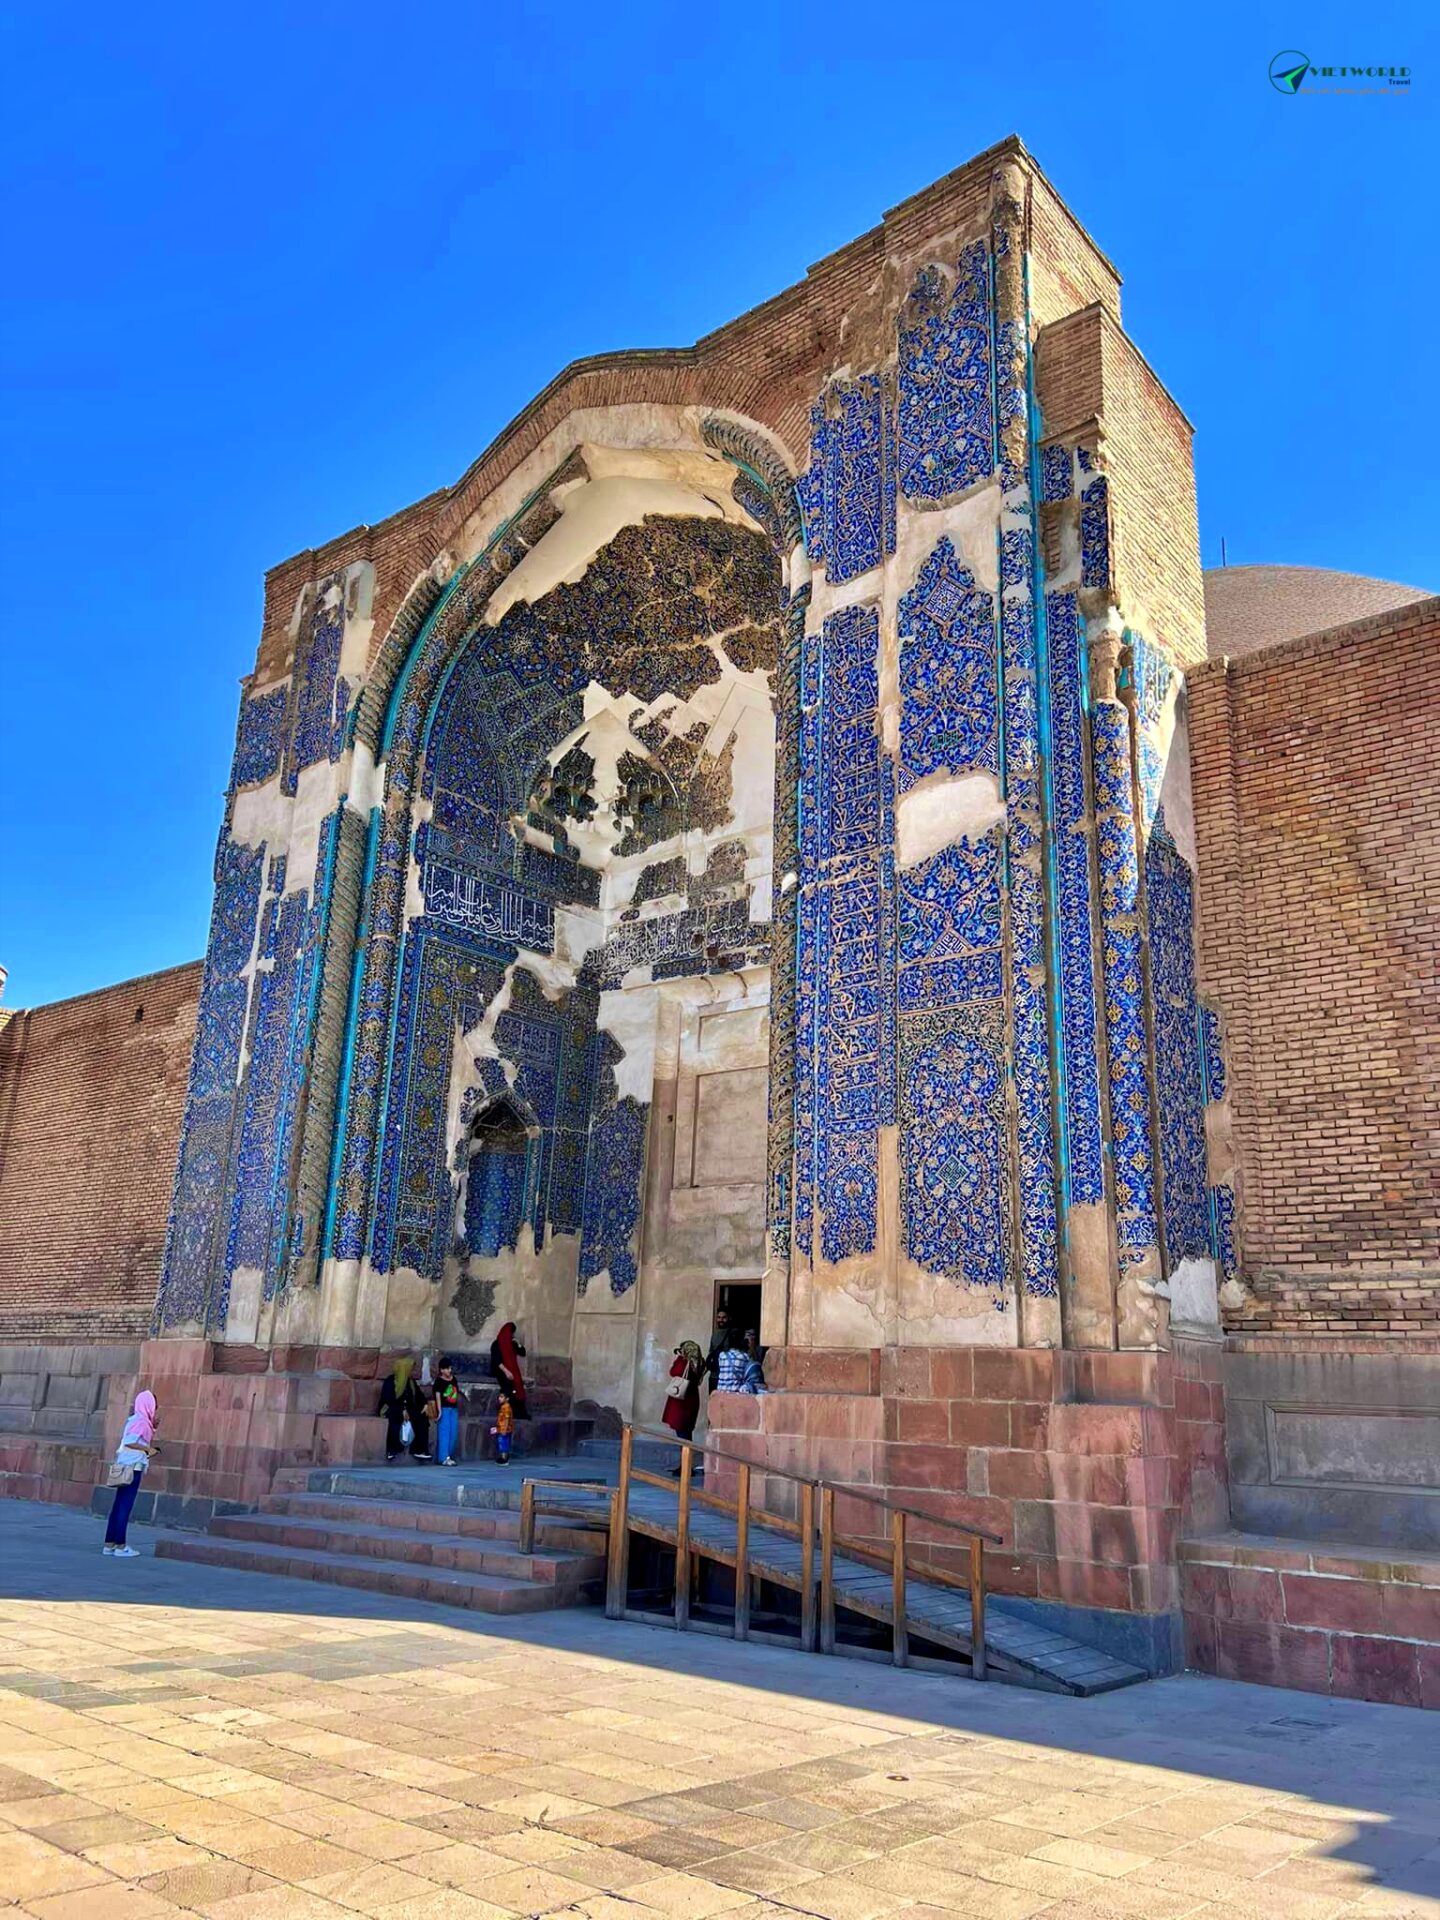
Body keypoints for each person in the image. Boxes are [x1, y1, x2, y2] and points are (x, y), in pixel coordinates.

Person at [104, 1390, 157, 1557]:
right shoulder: (141, 1422)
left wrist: (153, 1428)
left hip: (125, 1466)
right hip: (133, 1468)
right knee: (125, 1506)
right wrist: (149, 1449)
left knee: (118, 1505)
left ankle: (110, 1543)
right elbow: (131, 1441)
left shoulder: (135, 1419)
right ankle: (120, 1545)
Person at [377, 1358, 431, 1461]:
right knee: (395, 1420)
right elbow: (388, 1398)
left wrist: (424, 1404)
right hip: (392, 1408)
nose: (411, 1371)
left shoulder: (411, 1382)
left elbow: (419, 1396)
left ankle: (419, 1450)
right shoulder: (390, 1381)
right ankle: (392, 1449)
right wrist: (401, 1409)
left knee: (422, 1419)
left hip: (408, 1409)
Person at [489, 1322, 529, 1420]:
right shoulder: (496, 1344)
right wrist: (507, 1372)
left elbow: (523, 1353)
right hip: (501, 1370)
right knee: (508, 1387)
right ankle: (507, 1412)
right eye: (512, 1333)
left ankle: (518, 1413)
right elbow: (497, 1360)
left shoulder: (512, 1343)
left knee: (518, 1386)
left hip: (512, 1370)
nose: (512, 1335)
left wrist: (518, 1343)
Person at [432, 1358, 466, 1467]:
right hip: (445, 1409)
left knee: (453, 1433)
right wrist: (439, 1411)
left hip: (453, 1409)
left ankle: (449, 1455)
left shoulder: (453, 1379)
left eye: (450, 1368)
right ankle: (443, 1457)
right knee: (444, 1433)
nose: (449, 1371)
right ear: (441, 1370)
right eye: (447, 1369)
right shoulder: (439, 1381)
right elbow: (437, 1396)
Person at [704, 1309, 731, 1391]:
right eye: (719, 1317)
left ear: (729, 1318)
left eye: (724, 1317)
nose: (721, 1320)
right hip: (714, 1376)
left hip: (726, 1377)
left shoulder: (732, 1334)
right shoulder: (715, 1334)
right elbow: (711, 1353)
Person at [491, 1387, 515, 1465]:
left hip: (505, 1429)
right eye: (499, 1397)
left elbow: (506, 1419)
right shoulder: (503, 1407)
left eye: (502, 1397)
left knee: (503, 1443)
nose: (499, 1399)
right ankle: (503, 1456)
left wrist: (504, 1429)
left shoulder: (506, 1407)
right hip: (501, 1428)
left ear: (507, 1399)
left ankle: (504, 1458)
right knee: (502, 1442)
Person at [739, 1329, 767, 1394]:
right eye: (748, 1335)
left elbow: (757, 1362)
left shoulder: (759, 1348)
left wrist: (752, 1346)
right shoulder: (741, 1348)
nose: (750, 1337)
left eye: (752, 1335)